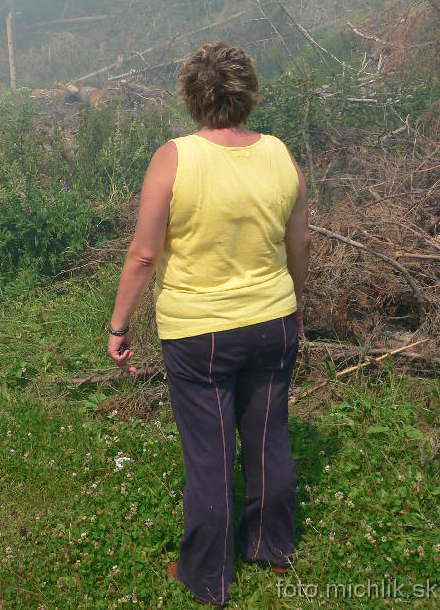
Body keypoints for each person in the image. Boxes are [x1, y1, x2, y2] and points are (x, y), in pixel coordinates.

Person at [107, 41, 310, 607]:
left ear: (191, 96)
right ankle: (271, 547)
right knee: (268, 436)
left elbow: (144, 254)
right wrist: (294, 297)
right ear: (247, 94)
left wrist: (119, 324)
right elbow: (299, 240)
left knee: (210, 453)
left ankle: (207, 575)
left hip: (199, 334)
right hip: (273, 319)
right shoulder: (279, 154)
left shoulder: (173, 158)